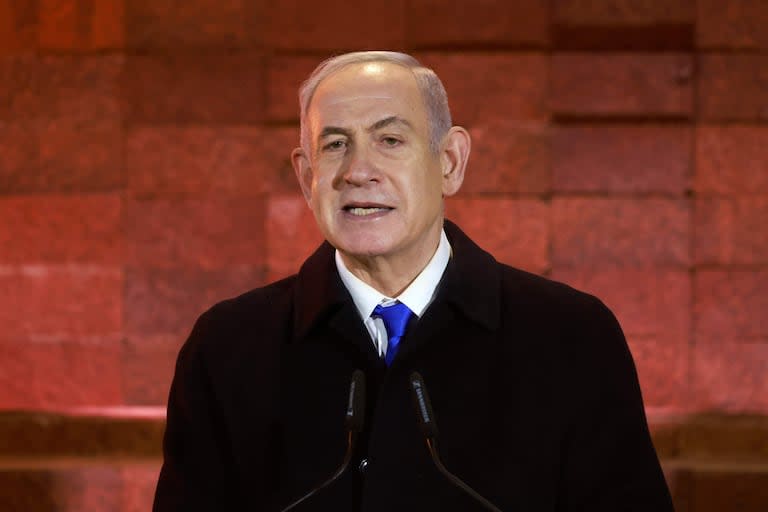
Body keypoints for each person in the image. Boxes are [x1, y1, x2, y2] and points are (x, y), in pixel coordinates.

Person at [153, 51, 675, 511]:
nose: (359, 170)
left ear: (449, 162)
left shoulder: (572, 336)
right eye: (335, 145)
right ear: (305, 174)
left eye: (390, 139)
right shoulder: (226, 346)